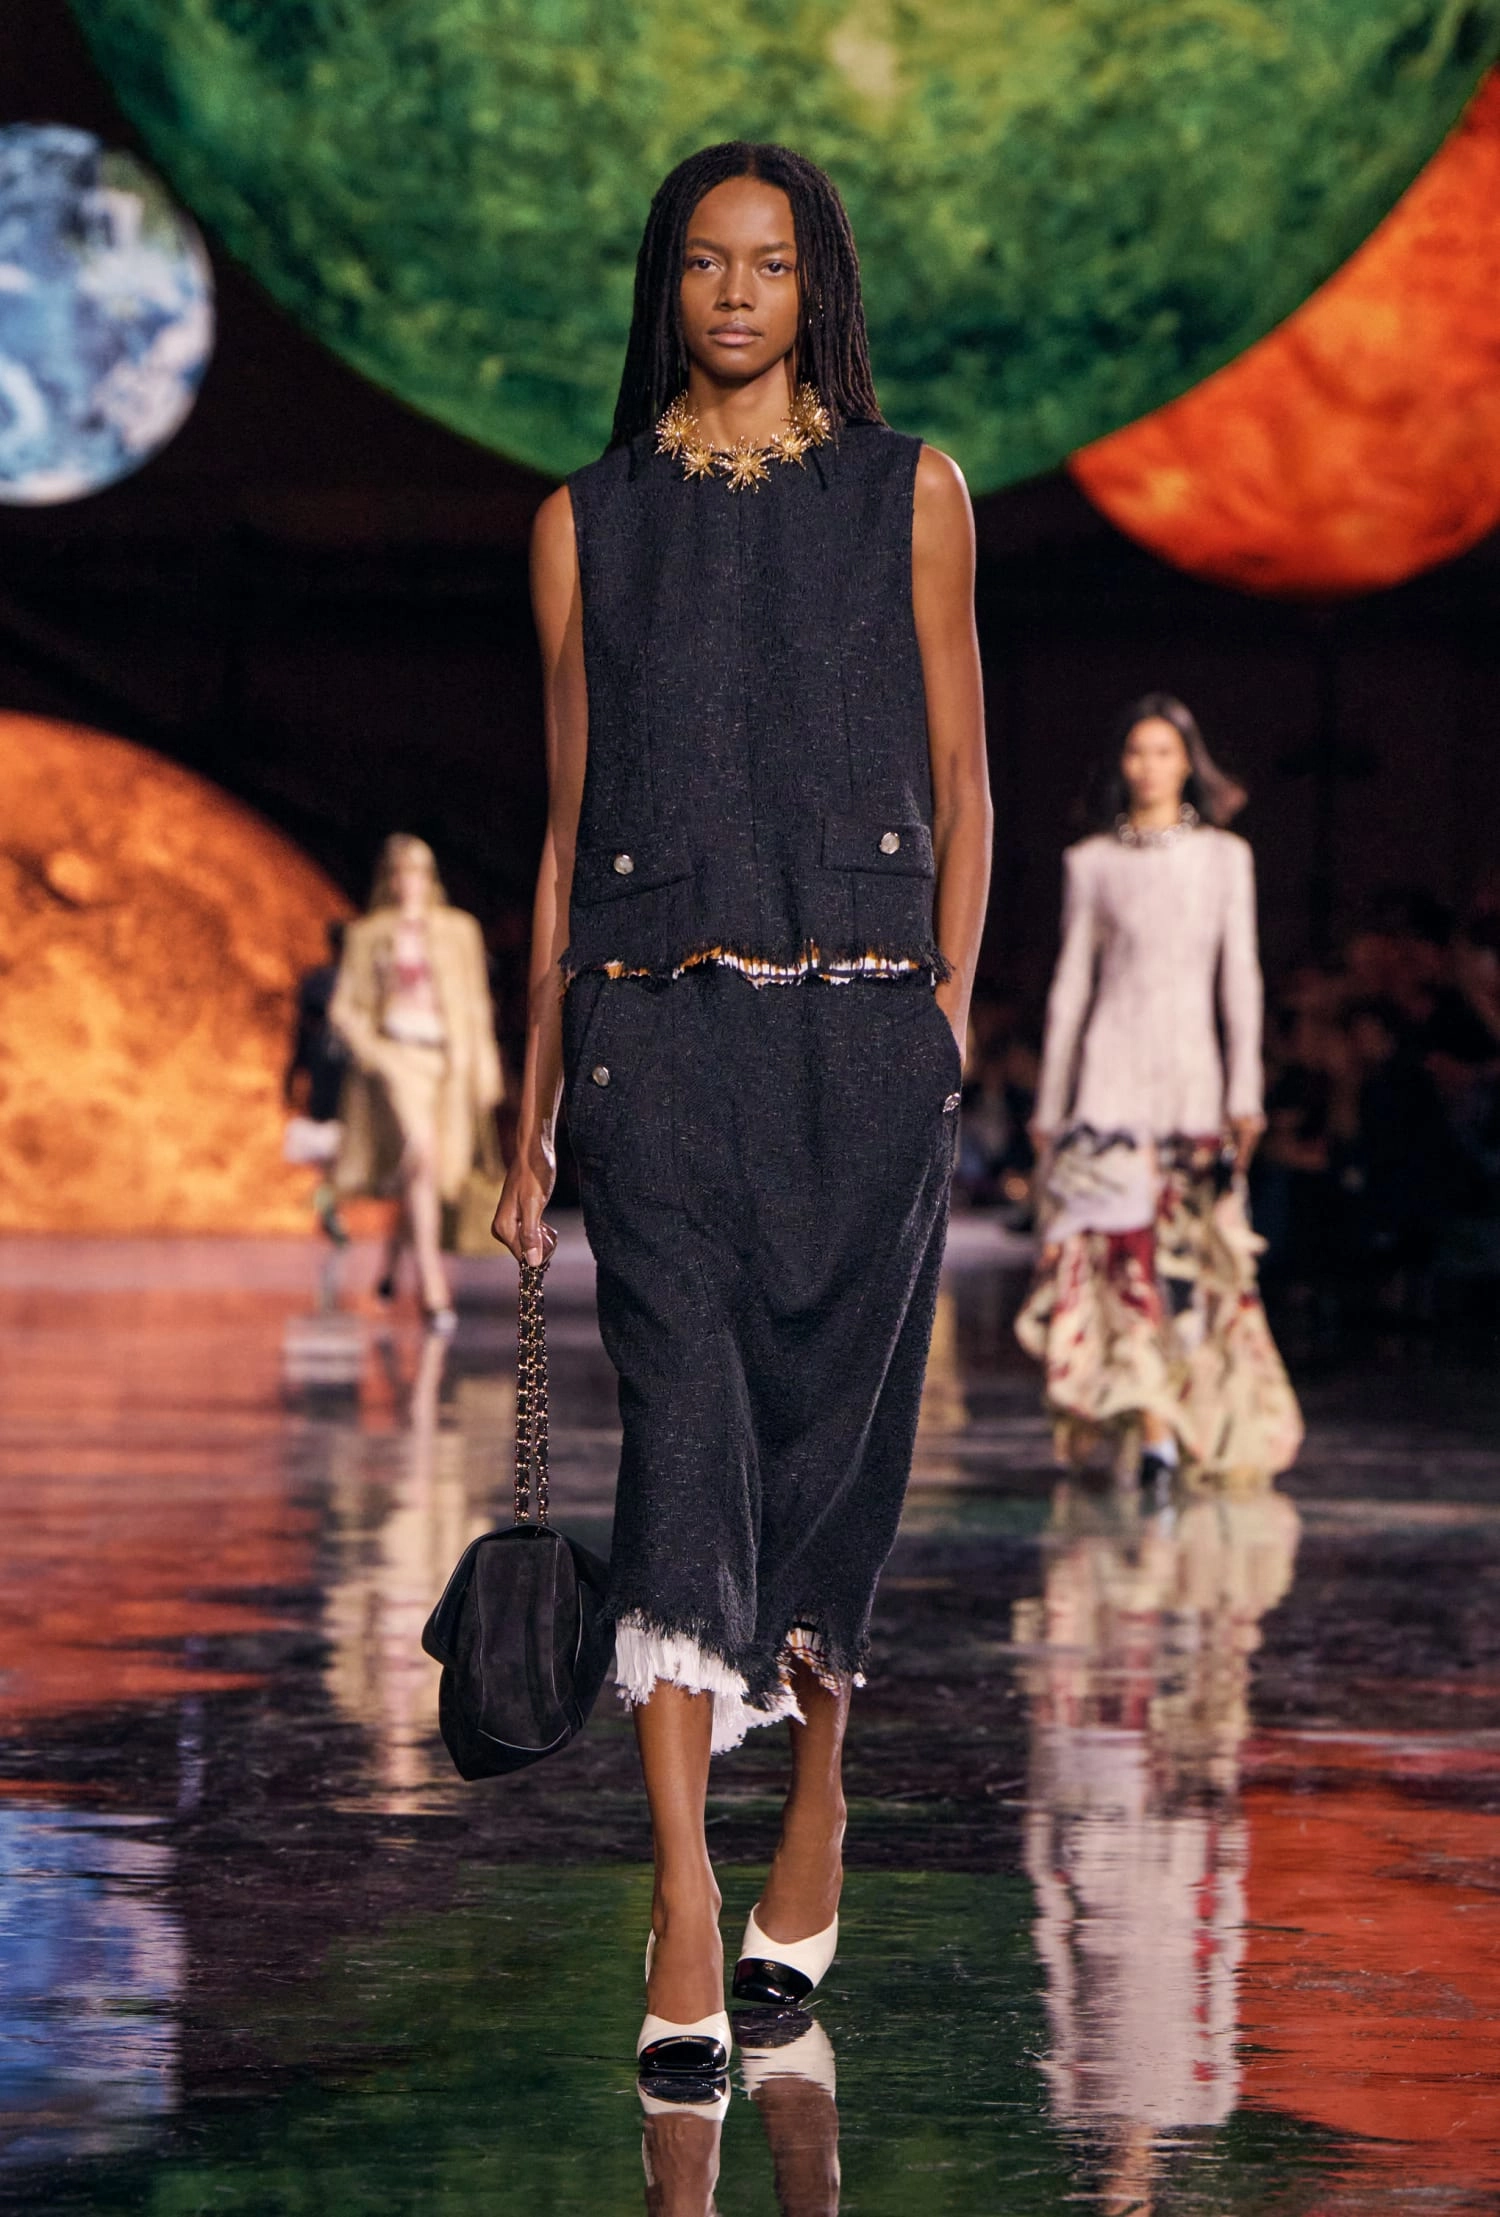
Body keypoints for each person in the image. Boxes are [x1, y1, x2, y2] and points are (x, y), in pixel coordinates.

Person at [492, 141, 991, 2083]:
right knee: (684, 1454)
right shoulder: (585, 522)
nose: (733, 295)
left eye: (769, 265)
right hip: (654, 1050)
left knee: (832, 1463)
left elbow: (964, 773)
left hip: (862, 1046)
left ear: (816, 287)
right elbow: (562, 831)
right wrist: (529, 1111)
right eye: (704, 263)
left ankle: (821, 1788)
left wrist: (944, 1018)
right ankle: (687, 1894)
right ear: (664, 282)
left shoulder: (909, 494)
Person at [1017, 694, 1302, 1495]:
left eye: (1165, 751)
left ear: (1188, 762)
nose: (1148, 766)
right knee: (1119, 1259)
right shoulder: (1092, 862)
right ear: (1121, 763)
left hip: (1191, 1082)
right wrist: (1050, 1104)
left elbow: (1240, 978)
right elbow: (1071, 987)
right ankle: (1151, 1429)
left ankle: (1174, 1421)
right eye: (1136, 751)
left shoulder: (1224, 858)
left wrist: (1245, 1092)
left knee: (1186, 1263)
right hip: (1109, 1079)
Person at [331, 835, 503, 1331]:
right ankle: (433, 1287)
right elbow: (345, 1007)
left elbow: (475, 1003)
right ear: (389, 879)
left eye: (419, 871)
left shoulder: (458, 931)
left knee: (427, 1172)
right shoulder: (369, 934)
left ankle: (390, 1265)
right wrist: (373, 1051)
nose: (411, 882)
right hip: (397, 1057)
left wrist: (484, 1066)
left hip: (446, 1062)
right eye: (402, 872)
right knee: (423, 1155)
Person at [284, 919, 351, 1244]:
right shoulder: (319, 983)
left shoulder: (329, 983)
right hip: (332, 1072)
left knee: (338, 1148)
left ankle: (330, 1206)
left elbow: (301, 1034)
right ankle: (330, 1208)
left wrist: (293, 1073)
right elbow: (302, 1032)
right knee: (332, 1145)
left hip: (344, 1072)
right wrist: (293, 1074)